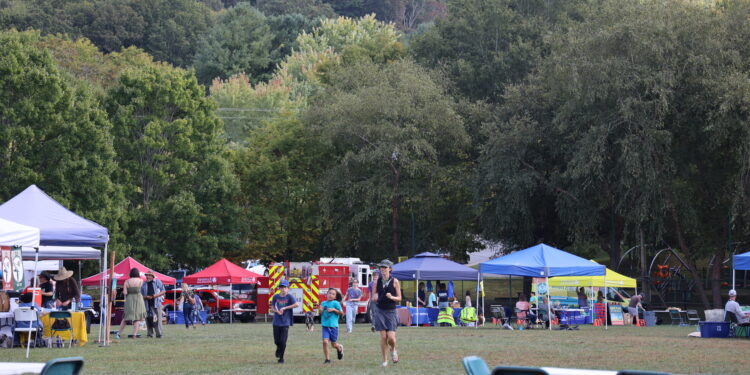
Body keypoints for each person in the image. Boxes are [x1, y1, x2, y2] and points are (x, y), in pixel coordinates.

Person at [372, 259, 401, 367]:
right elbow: (373, 296)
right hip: (380, 310)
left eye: (385, 267)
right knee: (383, 337)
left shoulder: (395, 281)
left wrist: (391, 297)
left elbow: (399, 298)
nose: (382, 269)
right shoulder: (377, 281)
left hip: (391, 311)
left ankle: (393, 349)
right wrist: (374, 297)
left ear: (390, 269)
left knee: (391, 338)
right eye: (381, 267)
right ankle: (385, 361)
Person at [271, 279, 299, 364]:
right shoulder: (275, 297)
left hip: (285, 322)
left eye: (285, 287)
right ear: (279, 288)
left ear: (288, 289)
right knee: (277, 341)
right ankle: (278, 349)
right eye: (281, 287)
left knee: (283, 341)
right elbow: (272, 308)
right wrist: (276, 311)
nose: (283, 289)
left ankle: (281, 358)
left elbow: (296, 304)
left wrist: (285, 308)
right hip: (276, 322)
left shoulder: (290, 297)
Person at [116, 268, 146, 339]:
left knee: (126, 318)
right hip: (139, 299)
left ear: (131, 274)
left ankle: (118, 334)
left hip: (129, 299)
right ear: (137, 273)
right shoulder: (141, 281)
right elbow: (144, 291)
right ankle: (134, 335)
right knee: (137, 318)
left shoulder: (127, 281)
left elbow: (125, 293)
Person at [320, 288, 345, 364]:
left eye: (333, 294)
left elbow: (341, 313)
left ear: (335, 297)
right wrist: (320, 310)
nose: (330, 295)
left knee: (333, 344)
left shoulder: (336, 303)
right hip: (325, 326)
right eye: (329, 293)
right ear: (326, 294)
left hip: (333, 327)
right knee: (325, 342)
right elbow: (320, 313)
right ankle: (327, 359)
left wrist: (334, 310)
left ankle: (339, 348)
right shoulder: (323, 303)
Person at [141, 271, 166, 338]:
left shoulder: (157, 282)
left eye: (149, 275)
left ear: (152, 276)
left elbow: (163, 291)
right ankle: (150, 334)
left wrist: (155, 296)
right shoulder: (144, 284)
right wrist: (146, 297)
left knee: (158, 319)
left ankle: (159, 334)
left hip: (157, 303)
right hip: (147, 304)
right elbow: (140, 295)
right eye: (146, 275)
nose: (147, 276)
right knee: (148, 319)